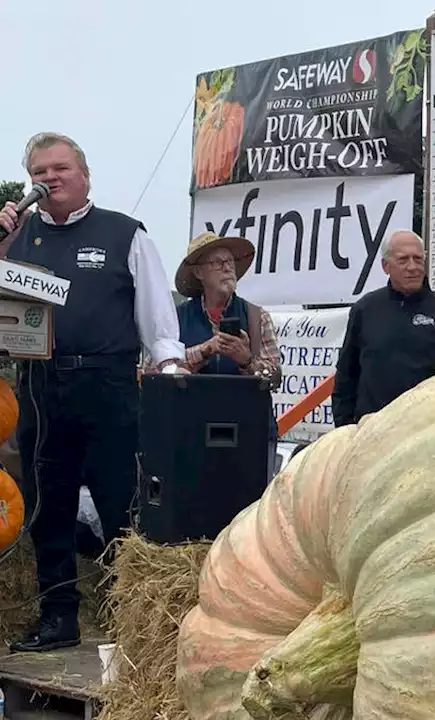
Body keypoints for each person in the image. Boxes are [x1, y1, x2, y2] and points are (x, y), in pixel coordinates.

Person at [0, 131, 186, 653]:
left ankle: (139, 622)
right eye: (39, 172)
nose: (49, 178)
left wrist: (169, 368)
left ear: (84, 176)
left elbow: (157, 316)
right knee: (48, 507)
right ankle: (58, 617)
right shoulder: (20, 236)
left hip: (107, 384)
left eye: (59, 168)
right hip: (38, 386)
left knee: (121, 502)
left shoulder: (123, 233)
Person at [159, 230, 284, 456]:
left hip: (248, 436)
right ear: (199, 272)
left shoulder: (257, 317)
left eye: (230, 261)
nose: (228, 268)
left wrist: (246, 360)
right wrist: (206, 349)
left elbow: (274, 377)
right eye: (218, 262)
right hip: (189, 435)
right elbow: (157, 370)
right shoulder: (175, 318)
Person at [333, 230, 435, 427]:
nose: (412, 267)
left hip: (425, 431)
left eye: (418, 259)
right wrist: (345, 427)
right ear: (386, 266)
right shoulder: (365, 310)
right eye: (403, 260)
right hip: (371, 431)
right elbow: (346, 374)